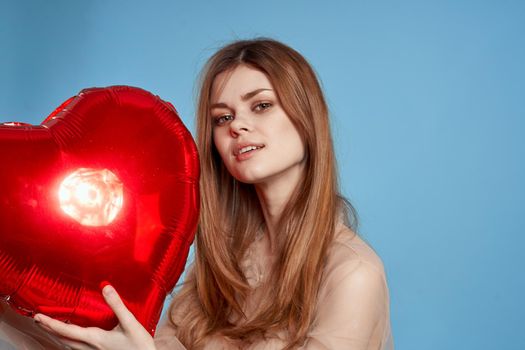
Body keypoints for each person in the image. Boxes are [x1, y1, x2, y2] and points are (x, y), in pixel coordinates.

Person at [2, 38, 393, 349]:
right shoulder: (226, 259)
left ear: (307, 119)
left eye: (261, 106)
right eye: (223, 117)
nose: (238, 126)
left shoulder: (354, 274)